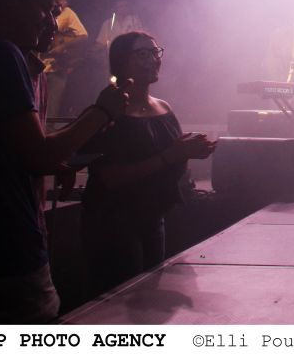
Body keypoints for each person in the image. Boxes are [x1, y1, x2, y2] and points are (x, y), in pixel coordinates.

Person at [0, 0, 125, 323]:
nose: (50, 21)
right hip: (6, 252)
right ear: (10, 1)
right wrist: (102, 111)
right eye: (44, 9)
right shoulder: (1, 54)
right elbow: (39, 156)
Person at [80, 31, 216, 295]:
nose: (153, 60)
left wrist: (191, 150)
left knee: (148, 298)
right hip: (114, 222)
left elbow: (172, 157)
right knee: (119, 301)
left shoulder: (163, 108)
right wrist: (171, 156)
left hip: (153, 218)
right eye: (143, 54)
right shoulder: (107, 111)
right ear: (121, 62)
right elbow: (110, 177)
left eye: (155, 52)